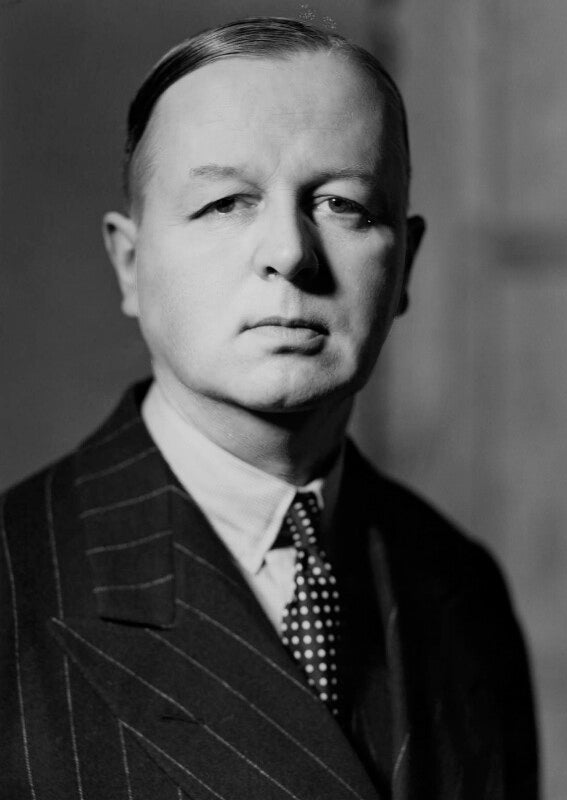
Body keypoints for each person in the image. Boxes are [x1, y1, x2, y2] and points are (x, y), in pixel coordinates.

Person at [0, 16, 538, 800]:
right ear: (130, 262)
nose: (289, 252)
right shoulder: (14, 583)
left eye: (343, 204)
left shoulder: (461, 586)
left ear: (406, 265)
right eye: (225, 202)